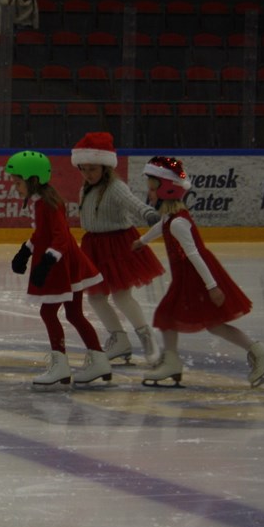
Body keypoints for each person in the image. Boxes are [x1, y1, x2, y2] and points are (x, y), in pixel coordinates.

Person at [134, 156, 264, 388]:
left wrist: (212, 286)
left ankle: (172, 363)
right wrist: (142, 241)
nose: (149, 193)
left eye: (152, 189)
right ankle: (261, 351)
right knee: (212, 324)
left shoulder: (177, 223)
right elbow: (161, 226)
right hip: (190, 277)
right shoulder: (171, 218)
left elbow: (193, 254)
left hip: (195, 278)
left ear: (167, 190)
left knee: (167, 316)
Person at [5, 150, 106, 389]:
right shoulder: (42, 201)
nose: (15, 188)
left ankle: (61, 366)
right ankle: (100, 361)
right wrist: (25, 251)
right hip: (68, 262)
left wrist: (46, 263)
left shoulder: (48, 204)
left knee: (49, 313)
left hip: (63, 265)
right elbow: (42, 234)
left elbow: (60, 237)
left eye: (18, 183)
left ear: (33, 179)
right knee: (74, 314)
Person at [71, 133, 165, 371]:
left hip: (118, 245)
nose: (87, 174)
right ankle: (119, 339)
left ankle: (148, 339)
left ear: (105, 167)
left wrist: (149, 214)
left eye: (92, 169)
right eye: (83, 169)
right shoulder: (85, 189)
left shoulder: (115, 187)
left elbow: (134, 203)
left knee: (121, 295)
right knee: (95, 297)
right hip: (94, 246)